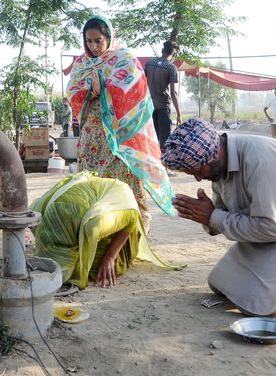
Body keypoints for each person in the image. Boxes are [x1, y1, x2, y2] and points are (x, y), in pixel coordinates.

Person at [161, 118, 276, 317]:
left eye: (198, 171)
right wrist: (205, 217)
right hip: (270, 232)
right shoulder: (219, 165)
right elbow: (222, 214)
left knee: (256, 304)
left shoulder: (261, 160)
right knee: (220, 283)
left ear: (213, 155)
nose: (198, 178)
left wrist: (213, 216)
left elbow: (271, 228)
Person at [66, 15, 175, 232]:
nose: (93, 46)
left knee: (123, 179)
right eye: (89, 41)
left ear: (108, 36)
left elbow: (135, 90)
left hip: (119, 134)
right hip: (92, 132)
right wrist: (90, 90)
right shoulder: (81, 63)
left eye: (98, 40)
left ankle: (130, 230)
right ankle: (96, 227)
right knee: (93, 177)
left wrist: (103, 88)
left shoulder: (124, 59)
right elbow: (72, 91)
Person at [31, 172, 175, 289]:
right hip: (81, 207)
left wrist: (109, 257)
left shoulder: (97, 223)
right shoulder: (41, 212)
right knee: (81, 268)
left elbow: (130, 219)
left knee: (97, 268)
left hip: (111, 202)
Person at [144, 41, 183, 152]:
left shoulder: (149, 63)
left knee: (153, 137)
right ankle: (164, 166)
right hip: (163, 107)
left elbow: (141, 82)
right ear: (174, 53)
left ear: (162, 50)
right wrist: (179, 114)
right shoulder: (171, 68)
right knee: (165, 139)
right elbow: (173, 93)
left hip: (149, 106)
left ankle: (153, 164)